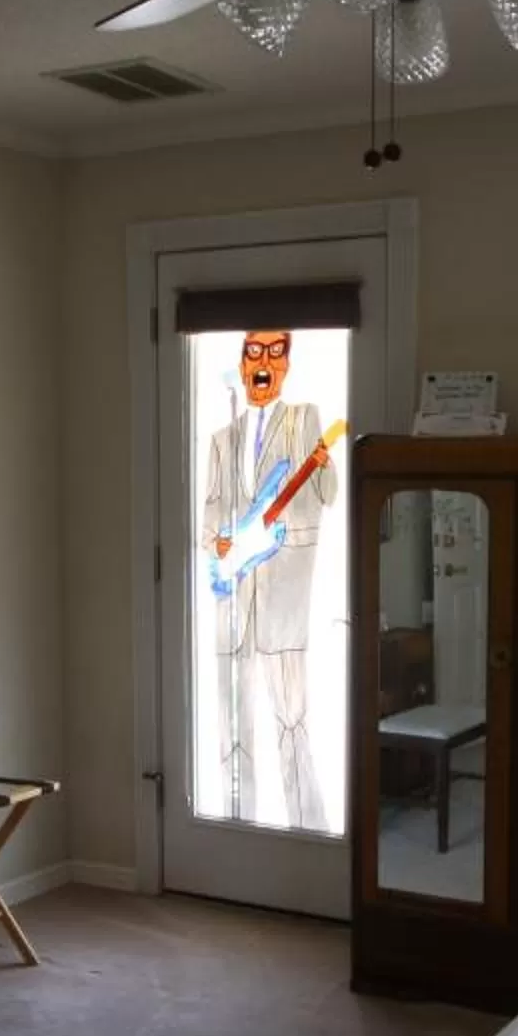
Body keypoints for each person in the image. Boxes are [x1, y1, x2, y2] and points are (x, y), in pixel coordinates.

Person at [201, 330, 340, 830]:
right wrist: (217, 543)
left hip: (284, 603)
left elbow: (328, 495)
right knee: (232, 733)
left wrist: (322, 464)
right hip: (232, 606)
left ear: (286, 365)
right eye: (254, 353)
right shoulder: (221, 439)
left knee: (291, 724)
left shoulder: (303, 420)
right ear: (243, 366)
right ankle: (236, 826)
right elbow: (210, 514)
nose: (263, 363)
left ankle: (309, 830)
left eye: (275, 353)